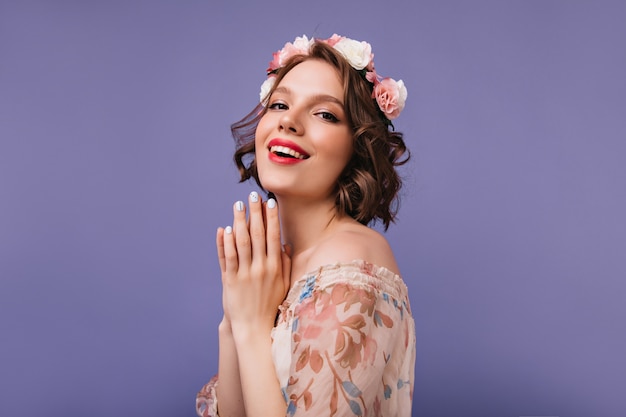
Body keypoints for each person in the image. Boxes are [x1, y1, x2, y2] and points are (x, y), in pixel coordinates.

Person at [196, 34, 415, 417]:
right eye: (279, 104)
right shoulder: (274, 267)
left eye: (325, 114)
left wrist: (249, 328)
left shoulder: (353, 262)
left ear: (358, 147)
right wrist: (233, 322)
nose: (289, 121)